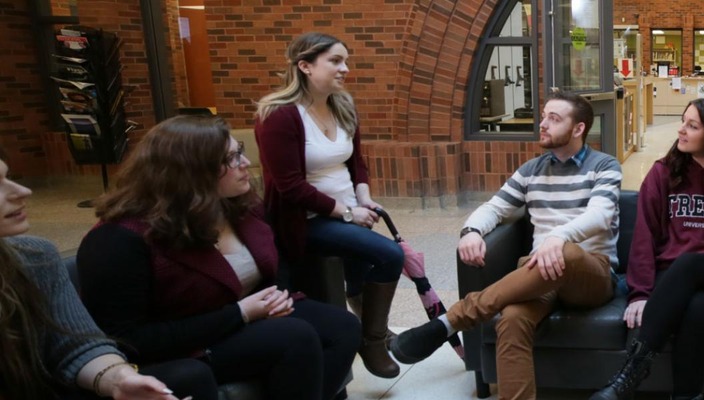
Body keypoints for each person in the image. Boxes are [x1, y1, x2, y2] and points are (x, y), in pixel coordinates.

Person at [78, 116, 361, 400]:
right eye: (230, 158)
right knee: (296, 337)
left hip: (241, 317)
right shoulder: (118, 239)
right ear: (191, 171)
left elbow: (276, 260)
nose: (245, 163)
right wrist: (240, 313)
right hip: (185, 341)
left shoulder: (239, 205)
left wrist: (278, 295)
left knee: (343, 327)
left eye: (240, 151)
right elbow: (128, 339)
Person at [390, 91, 621, 400]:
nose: (543, 124)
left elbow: (600, 215)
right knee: (511, 319)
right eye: (543, 116)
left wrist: (558, 237)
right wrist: (471, 230)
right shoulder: (531, 170)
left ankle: (453, 319)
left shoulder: (604, 165)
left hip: (590, 274)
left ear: (579, 128)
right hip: (541, 274)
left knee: (565, 252)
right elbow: (495, 208)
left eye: (554, 119)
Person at [591, 98, 704, 400]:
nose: (681, 130)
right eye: (683, 122)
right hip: (671, 275)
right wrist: (640, 293)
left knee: (691, 263)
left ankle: (630, 373)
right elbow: (644, 236)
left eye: (692, 125)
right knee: (694, 305)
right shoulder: (662, 173)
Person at [253, 32, 403, 378]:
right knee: (390, 255)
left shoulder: (341, 104)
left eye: (345, 61)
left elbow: (356, 162)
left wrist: (363, 198)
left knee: (364, 263)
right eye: (335, 61)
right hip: (306, 220)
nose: (345, 69)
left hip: (348, 210)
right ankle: (373, 340)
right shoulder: (278, 115)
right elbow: (289, 187)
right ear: (305, 66)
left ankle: (367, 328)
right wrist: (347, 213)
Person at [0, 159, 184, 400]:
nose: (23, 191)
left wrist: (118, 378)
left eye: (8, 177)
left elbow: (77, 345)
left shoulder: (34, 256)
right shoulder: (121, 236)